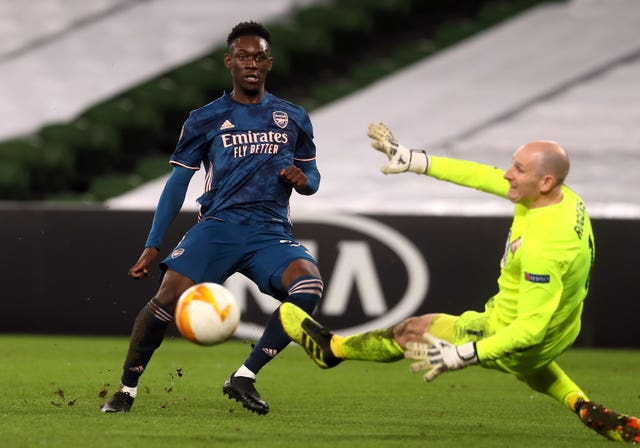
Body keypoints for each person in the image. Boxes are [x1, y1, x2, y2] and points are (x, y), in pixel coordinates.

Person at [278, 122, 640, 443]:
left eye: (519, 168)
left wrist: (462, 354)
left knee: (411, 331)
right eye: (513, 163)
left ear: (545, 181)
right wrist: (419, 161)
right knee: (531, 360)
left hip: (514, 331)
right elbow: (485, 175)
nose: (509, 174)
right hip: (562, 328)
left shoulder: (544, 246)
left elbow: (529, 329)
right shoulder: (561, 199)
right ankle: (581, 404)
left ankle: (332, 349)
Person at [101, 21, 324, 416]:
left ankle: (244, 376)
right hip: (218, 227)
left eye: (258, 57)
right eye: (243, 57)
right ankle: (126, 389)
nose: (251, 64)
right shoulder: (206, 118)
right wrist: (154, 243)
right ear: (229, 62)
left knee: (308, 286)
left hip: (270, 233)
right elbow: (176, 185)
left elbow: (313, 177)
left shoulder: (293, 118)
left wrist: (304, 181)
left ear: (269, 63)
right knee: (167, 298)